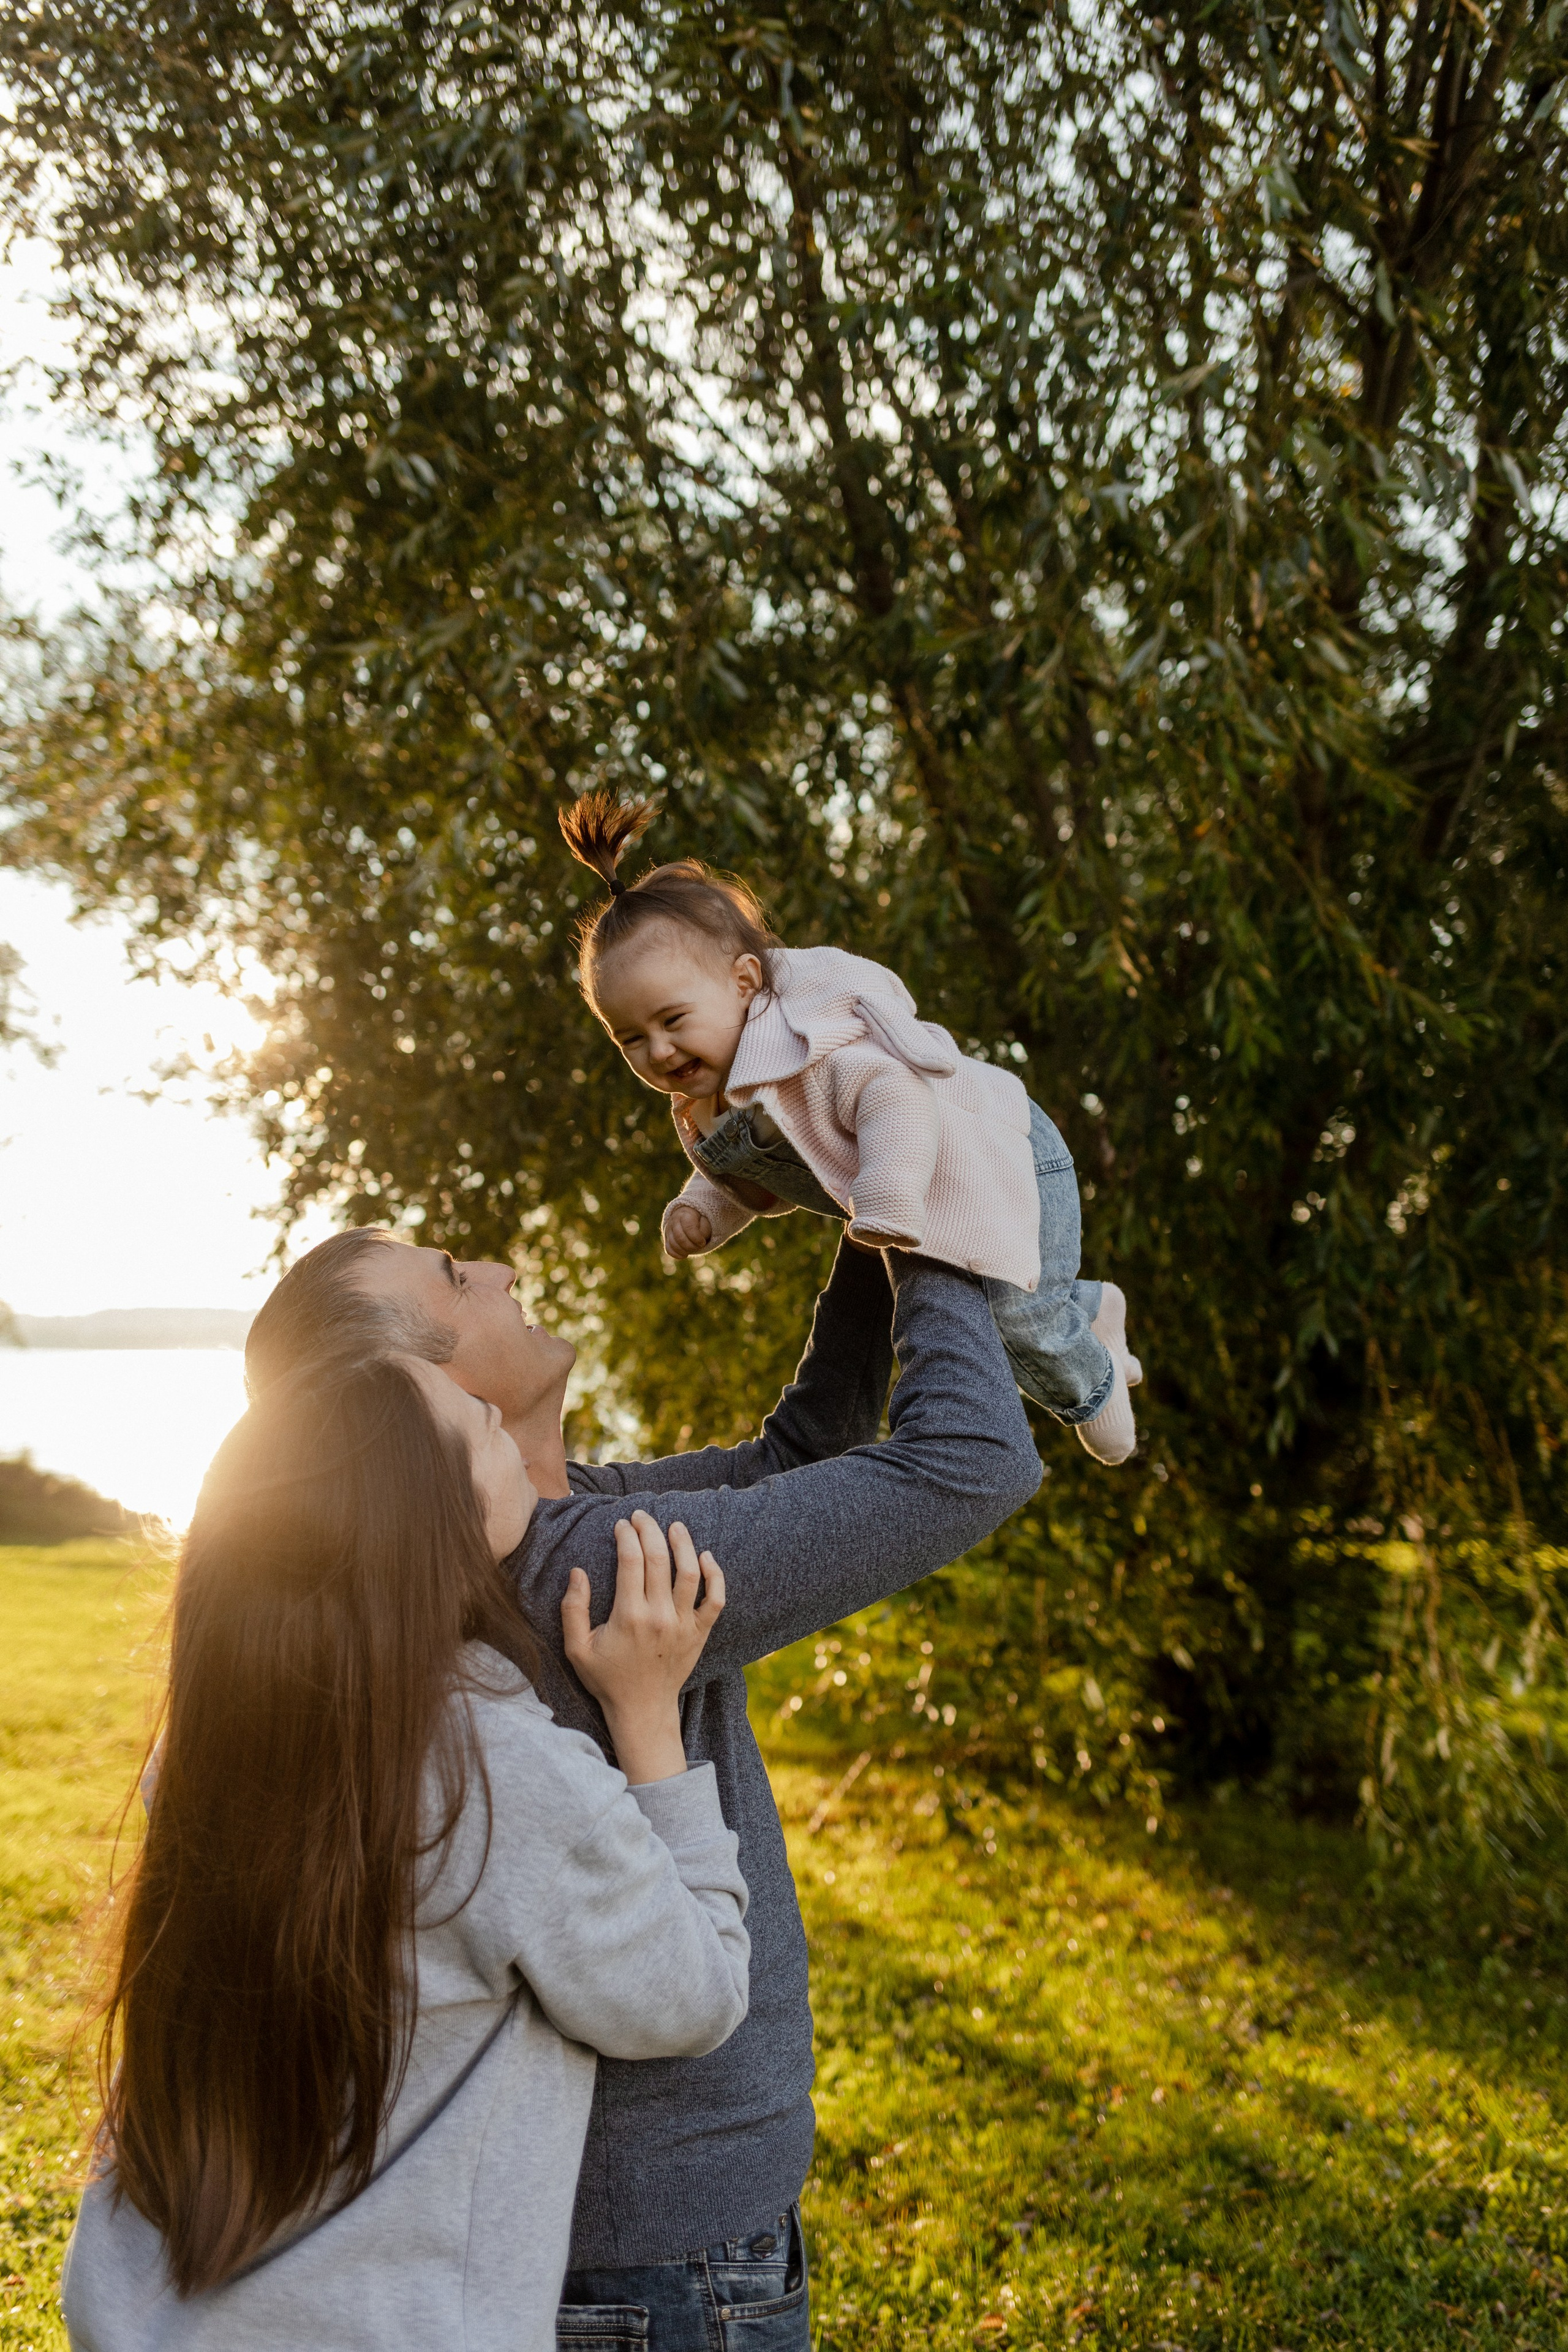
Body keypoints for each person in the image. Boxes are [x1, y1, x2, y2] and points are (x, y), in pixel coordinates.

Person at [239, 1200, 1042, 2350]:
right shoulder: (593, 1573)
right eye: (459, 1276)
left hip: (641, 2244)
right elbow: (969, 1461)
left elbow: (797, 1460)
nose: (505, 1267)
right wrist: (931, 1187)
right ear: (418, 1384)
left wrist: (866, 1208)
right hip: (658, 2261)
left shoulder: (585, 1519)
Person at [61, 1356, 749, 2352]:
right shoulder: (500, 1774)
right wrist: (649, 1720)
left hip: (144, 2318)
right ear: (443, 1520)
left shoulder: (208, 1739)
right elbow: (695, 1994)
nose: (505, 1420)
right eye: (481, 1419)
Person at [559, 788, 1144, 1466]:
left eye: (672, 1020)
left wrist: (888, 1188)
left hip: (1003, 1154)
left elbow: (892, 1094)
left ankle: (1094, 1387)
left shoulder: (814, 1045)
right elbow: (738, 1172)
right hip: (948, 1182)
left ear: (745, 982)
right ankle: (1094, 1309)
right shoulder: (709, 1104)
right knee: (988, 1313)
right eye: (630, 1038)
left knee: (1015, 1317)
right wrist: (700, 1210)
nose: (657, 1051)